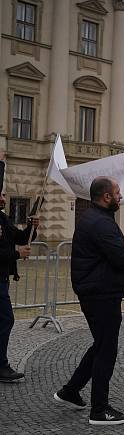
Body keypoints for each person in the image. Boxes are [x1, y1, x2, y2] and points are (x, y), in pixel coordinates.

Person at [53, 177, 124, 425]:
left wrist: (121, 248)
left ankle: (70, 390)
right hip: (101, 293)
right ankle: (100, 410)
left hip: (97, 290)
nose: (121, 196)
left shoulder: (96, 219)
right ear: (106, 197)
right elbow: (122, 258)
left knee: (100, 344)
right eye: (118, 192)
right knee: (106, 349)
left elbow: (109, 251)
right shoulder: (100, 222)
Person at [0, 154, 39, 382]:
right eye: (2, 193)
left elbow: (21, 237)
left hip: (3, 279)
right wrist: (17, 253)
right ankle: (2, 366)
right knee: (6, 320)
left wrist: (32, 227)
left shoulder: (3, 219)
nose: (5, 196)